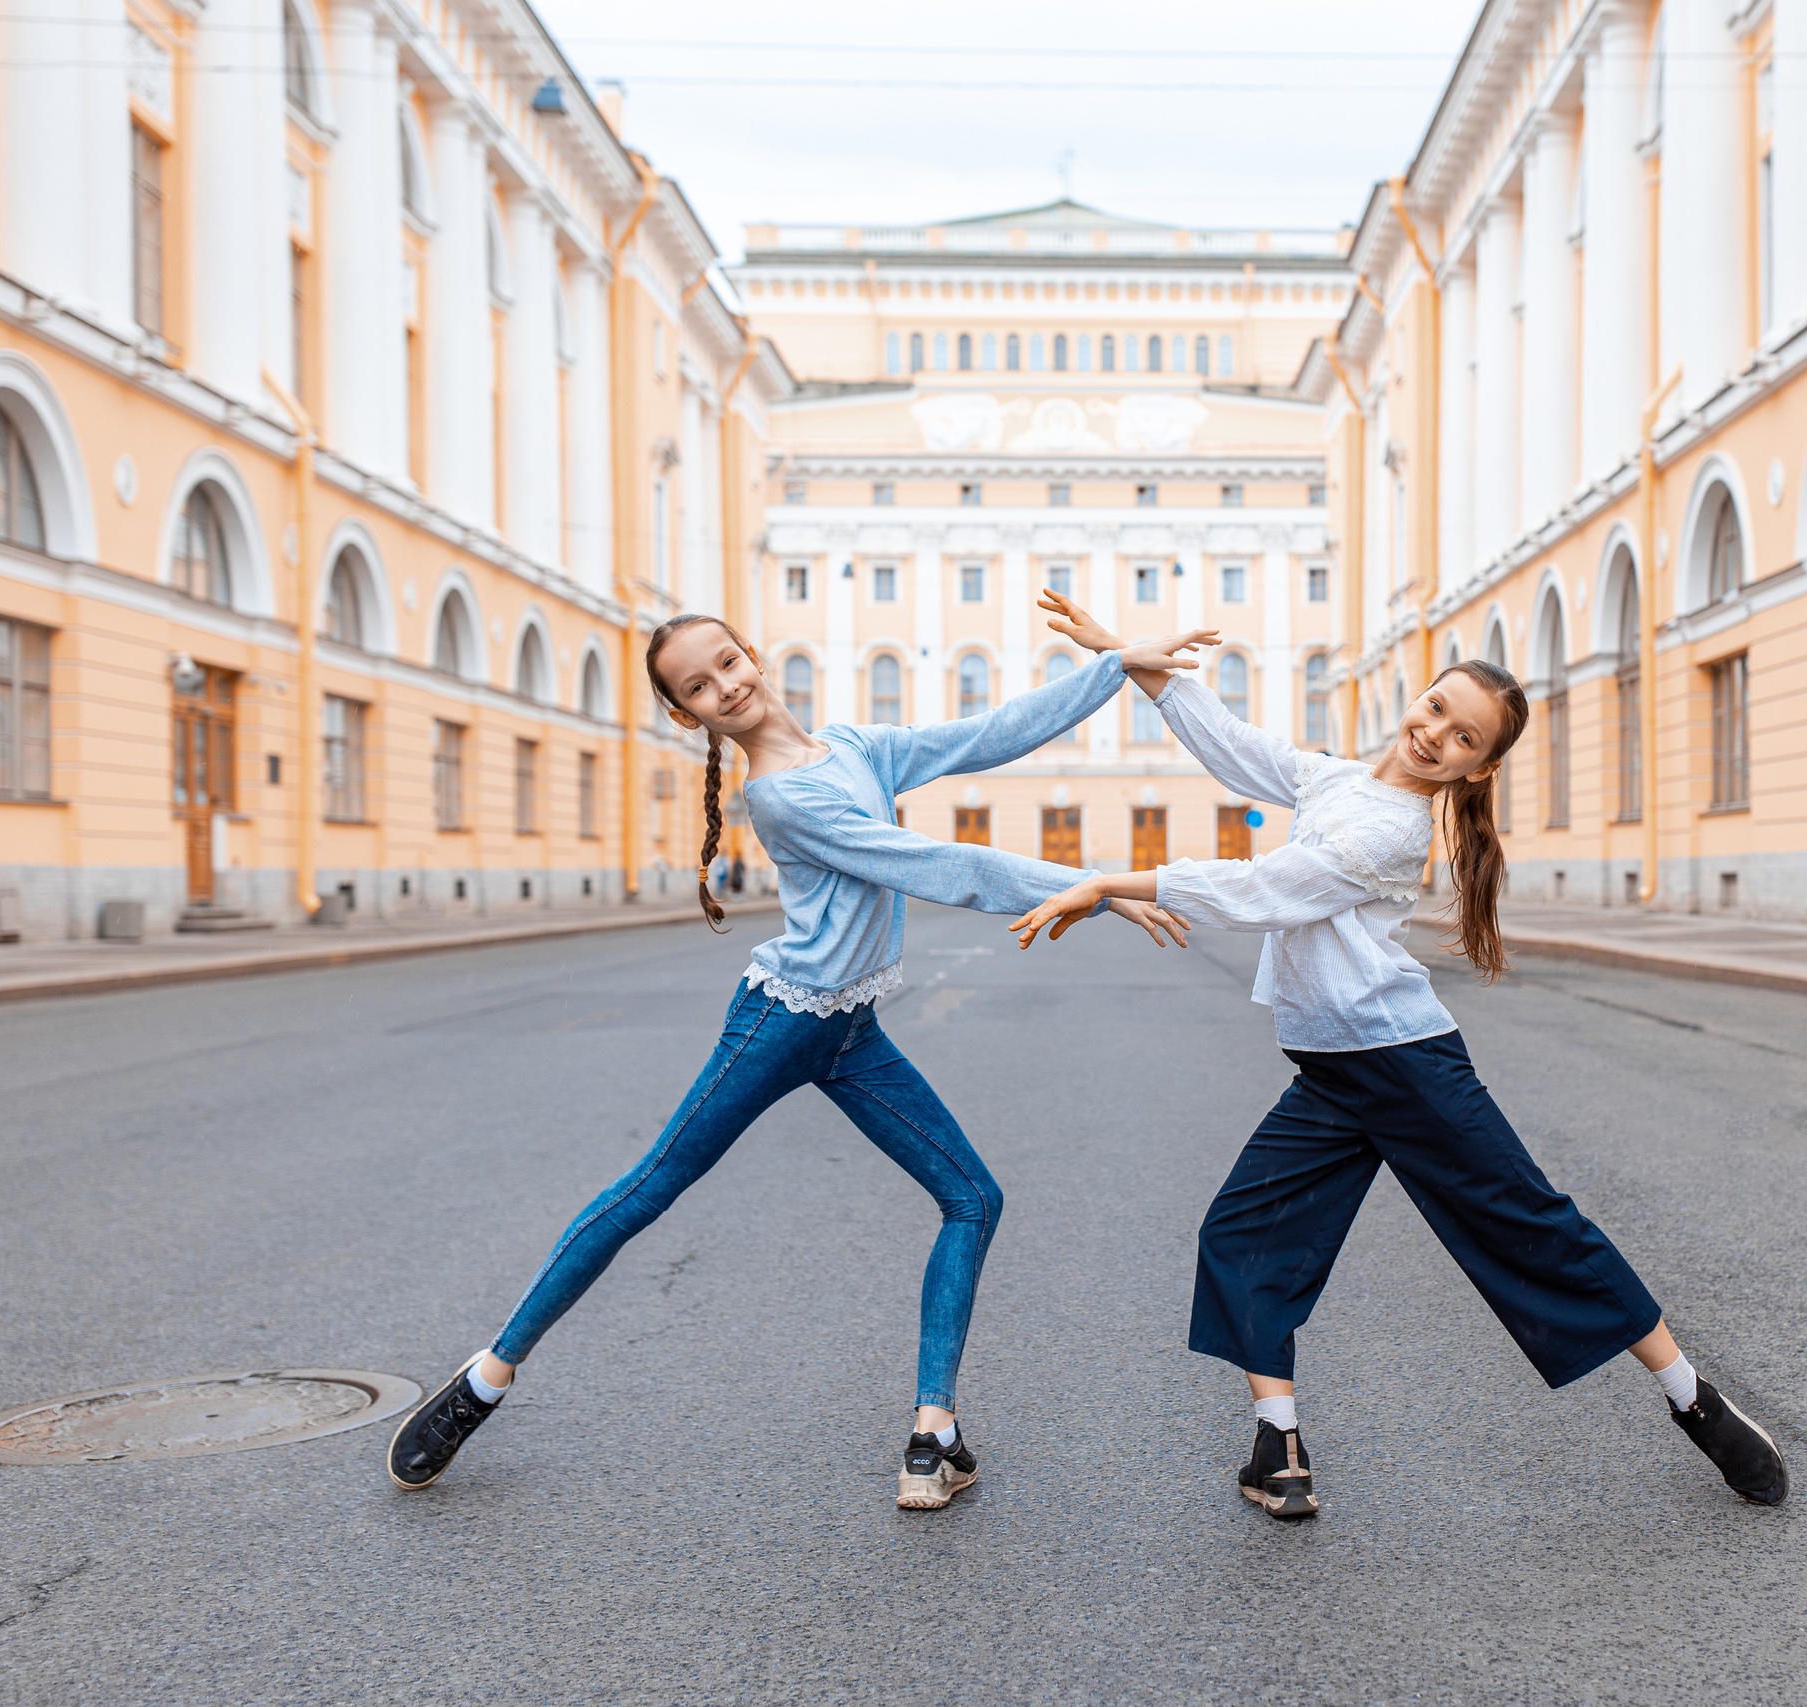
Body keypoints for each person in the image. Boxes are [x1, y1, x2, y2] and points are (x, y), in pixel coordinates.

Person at [387, 611, 1212, 1508]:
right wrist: (1092, 888)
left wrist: (1113, 670)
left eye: (728, 663)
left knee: (973, 1199)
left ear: (754, 656)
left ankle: (932, 1433)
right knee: (649, 1188)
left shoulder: (853, 746)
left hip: (849, 1028)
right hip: (780, 1021)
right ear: (684, 714)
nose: (725, 687)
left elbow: (983, 734)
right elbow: (927, 861)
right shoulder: (780, 796)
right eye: (698, 687)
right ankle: (486, 1379)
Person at [1010, 592, 1787, 1519]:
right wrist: (1125, 655)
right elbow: (1233, 744)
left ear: (1478, 768)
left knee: (1534, 1226)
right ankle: (1279, 1447)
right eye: (1434, 709)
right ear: (1417, 698)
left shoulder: (1392, 829)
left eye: (1462, 739)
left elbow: (1269, 889)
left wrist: (1107, 879)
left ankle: (1694, 1399)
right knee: (1242, 1232)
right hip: (1333, 1070)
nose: (1434, 735)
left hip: (1406, 1063)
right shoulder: (1338, 780)